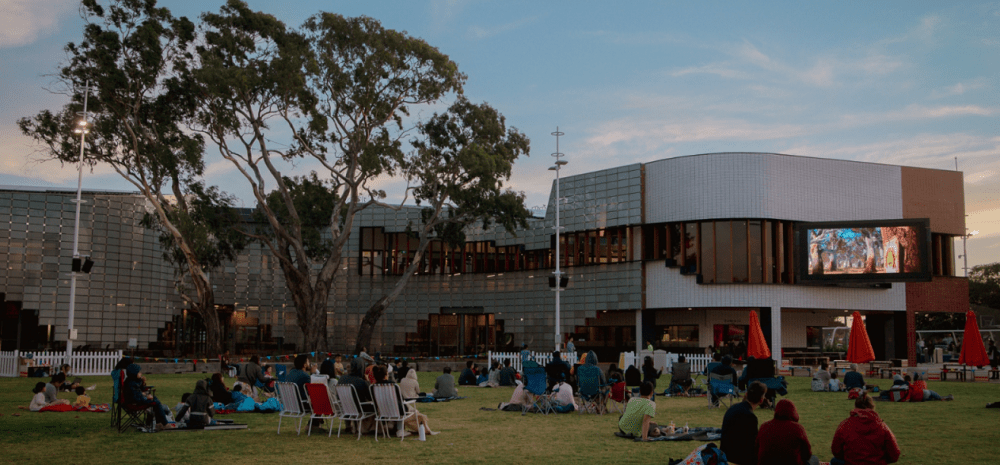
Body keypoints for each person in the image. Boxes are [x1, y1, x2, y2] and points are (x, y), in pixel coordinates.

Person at [831, 392, 901, 465]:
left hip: (852, 462)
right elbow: (894, 454)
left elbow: (836, 450)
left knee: (835, 461)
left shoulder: (845, 425)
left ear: (855, 406)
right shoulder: (882, 427)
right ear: (872, 406)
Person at [371, 365, 438, 436]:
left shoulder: (373, 387)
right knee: (413, 411)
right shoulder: (392, 385)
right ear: (385, 375)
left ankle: (394, 426)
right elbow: (401, 399)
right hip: (397, 411)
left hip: (382, 411)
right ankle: (419, 430)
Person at [756, 399, 819, 465]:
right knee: (814, 459)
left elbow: (756, 449)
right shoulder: (797, 428)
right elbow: (807, 454)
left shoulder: (764, 427)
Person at [720, 381, 768, 465]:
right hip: (739, 457)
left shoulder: (733, 408)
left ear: (746, 394)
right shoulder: (750, 416)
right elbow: (752, 445)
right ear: (761, 400)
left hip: (726, 454)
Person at [122, 363, 170, 428]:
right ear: (134, 373)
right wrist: (146, 398)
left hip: (135, 400)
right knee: (156, 402)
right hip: (134, 403)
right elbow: (136, 397)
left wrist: (142, 382)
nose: (141, 373)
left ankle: (159, 423)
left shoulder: (131, 381)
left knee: (155, 400)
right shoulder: (131, 384)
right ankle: (164, 423)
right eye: (139, 372)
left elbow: (140, 390)